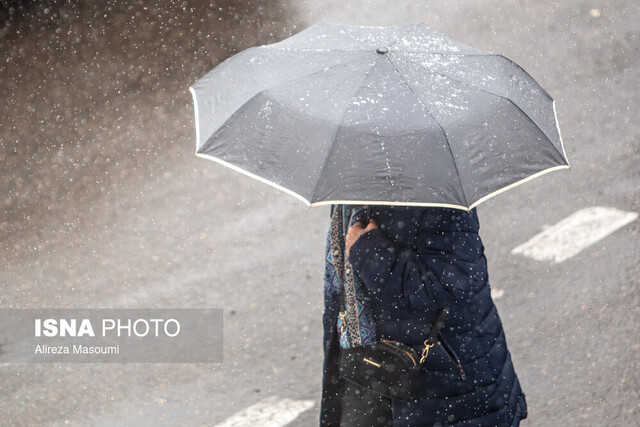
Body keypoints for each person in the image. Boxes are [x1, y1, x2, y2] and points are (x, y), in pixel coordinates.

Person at [320, 204, 527, 426]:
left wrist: (369, 251)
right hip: (368, 366)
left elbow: (452, 281)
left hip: (439, 376)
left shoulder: (434, 194)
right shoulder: (352, 186)